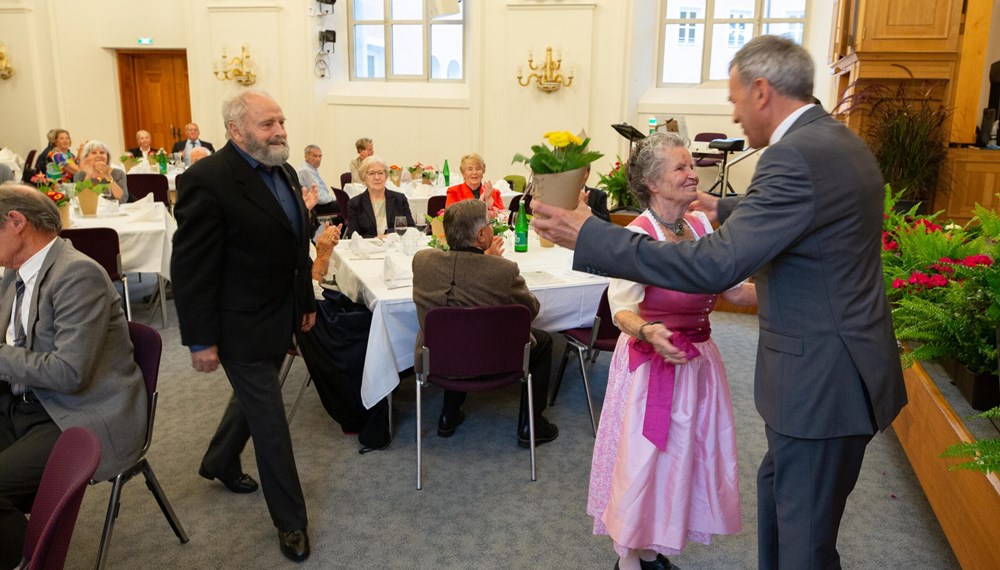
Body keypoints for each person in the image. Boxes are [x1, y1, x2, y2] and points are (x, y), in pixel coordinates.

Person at [532, 35, 907, 569]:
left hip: (821, 381)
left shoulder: (792, 158)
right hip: (836, 369)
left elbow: (714, 267)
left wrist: (592, 236)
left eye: (733, 100)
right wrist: (725, 206)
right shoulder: (836, 142)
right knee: (786, 507)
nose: (733, 116)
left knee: (804, 540)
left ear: (761, 91)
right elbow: (804, 210)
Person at [587, 133, 757, 570]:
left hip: (699, 363)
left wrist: (794, 296)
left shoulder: (701, 226)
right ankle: (629, 558)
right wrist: (648, 330)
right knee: (644, 462)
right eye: (680, 167)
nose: (691, 173)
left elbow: (734, 291)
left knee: (685, 457)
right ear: (652, 182)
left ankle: (654, 549)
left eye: (689, 165)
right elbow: (620, 309)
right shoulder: (636, 236)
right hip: (651, 368)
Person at [171, 90, 315, 562]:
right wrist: (200, 339)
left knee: (255, 398)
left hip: (280, 313)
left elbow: (295, 247)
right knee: (271, 420)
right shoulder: (206, 181)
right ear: (236, 130)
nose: (280, 132)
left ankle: (218, 460)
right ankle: (291, 522)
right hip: (237, 325)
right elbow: (192, 267)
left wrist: (304, 301)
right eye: (267, 124)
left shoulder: (285, 170)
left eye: (281, 121)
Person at [0, 184, 146, 569]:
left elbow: (70, 374)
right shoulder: (12, 273)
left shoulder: (77, 273)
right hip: (25, 402)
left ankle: (27, 561)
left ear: (16, 222)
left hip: (76, 413)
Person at [411, 199, 559, 445]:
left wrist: (483, 259)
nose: (492, 229)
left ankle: (448, 414)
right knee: (542, 341)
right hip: (493, 359)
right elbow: (530, 311)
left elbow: (461, 273)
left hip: (437, 360)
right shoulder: (504, 270)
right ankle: (531, 426)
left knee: (452, 333)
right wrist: (489, 261)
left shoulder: (423, 261)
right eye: (490, 225)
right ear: (481, 235)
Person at [345, 155, 413, 238]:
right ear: (364, 178)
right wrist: (375, 239)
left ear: (386, 176)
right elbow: (353, 235)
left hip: (395, 247)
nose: (377, 177)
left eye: (381, 173)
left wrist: (389, 235)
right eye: (371, 173)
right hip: (368, 248)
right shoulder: (355, 203)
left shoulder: (399, 199)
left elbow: (411, 228)